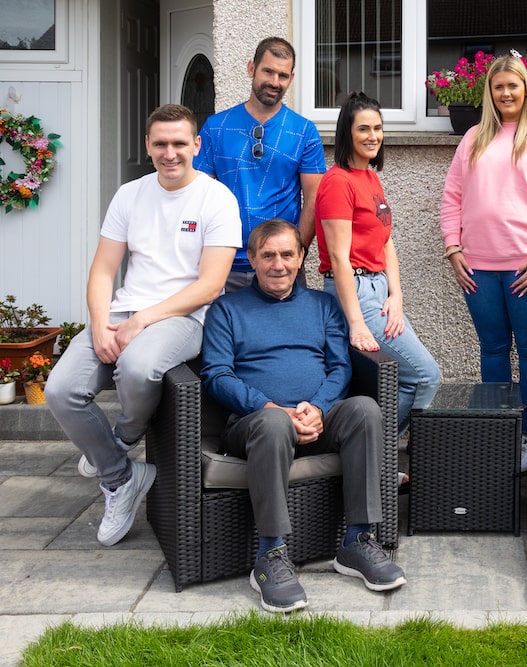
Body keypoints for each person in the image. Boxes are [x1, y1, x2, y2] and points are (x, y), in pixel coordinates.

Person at [45, 103, 241, 547]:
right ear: (148, 146)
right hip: (123, 311)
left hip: (185, 316)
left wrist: (143, 321)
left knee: (136, 366)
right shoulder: (130, 194)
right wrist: (98, 323)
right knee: (60, 390)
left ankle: (124, 437)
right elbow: (102, 271)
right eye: (160, 144)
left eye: (178, 143)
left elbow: (210, 286)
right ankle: (120, 475)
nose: (170, 153)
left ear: (196, 145)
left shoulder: (217, 199)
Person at [200, 218, 406, 614]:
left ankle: (358, 541)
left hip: (316, 417)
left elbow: (340, 367)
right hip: (254, 423)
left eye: (287, 255)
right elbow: (215, 375)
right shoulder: (226, 310)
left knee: (365, 409)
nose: (278, 264)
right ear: (253, 260)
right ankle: (270, 554)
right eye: (268, 256)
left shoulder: (323, 305)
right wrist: (268, 407)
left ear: (301, 258)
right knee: (276, 423)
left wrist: (320, 407)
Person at [439, 54, 527, 467]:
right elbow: (452, 198)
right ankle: (499, 431)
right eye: (498, 87)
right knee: (493, 349)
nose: (506, 93)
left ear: (526, 88)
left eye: (513, 85)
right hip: (477, 266)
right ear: (490, 92)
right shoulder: (474, 137)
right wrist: (453, 248)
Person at [314, 92, 439, 435]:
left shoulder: (369, 177)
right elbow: (339, 257)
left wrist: (396, 295)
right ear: (347, 134)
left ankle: (373, 458)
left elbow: (386, 241)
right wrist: (356, 322)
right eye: (364, 129)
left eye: (378, 128)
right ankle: (377, 455)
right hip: (353, 290)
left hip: (378, 288)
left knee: (406, 379)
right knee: (427, 374)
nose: (373, 136)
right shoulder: (337, 183)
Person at [195, 37, 326, 293]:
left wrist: (296, 256)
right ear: (251, 68)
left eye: (283, 75)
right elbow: (198, 196)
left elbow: (313, 200)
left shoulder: (304, 132)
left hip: (280, 268)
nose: (275, 82)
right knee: (224, 332)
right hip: (224, 263)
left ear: (291, 77)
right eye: (268, 71)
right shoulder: (215, 126)